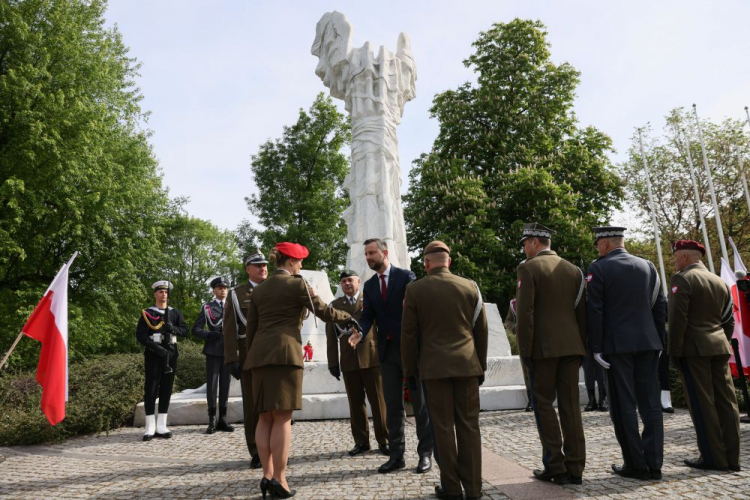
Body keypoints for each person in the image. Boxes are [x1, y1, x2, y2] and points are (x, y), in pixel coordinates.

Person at [246, 242, 354, 499]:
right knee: (282, 417)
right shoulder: (298, 284)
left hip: (259, 356)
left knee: (264, 417)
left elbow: (251, 329)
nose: (302, 265)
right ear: (291, 262)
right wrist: (347, 317)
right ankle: (280, 480)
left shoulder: (259, 290)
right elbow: (324, 311)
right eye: (300, 261)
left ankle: (266, 475)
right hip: (285, 355)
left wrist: (251, 358)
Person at [401, 241, 488, 500]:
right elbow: (480, 330)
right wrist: (479, 365)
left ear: (426, 263)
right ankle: (473, 489)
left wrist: (410, 372)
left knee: (442, 428)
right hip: (467, 366)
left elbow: (408, 335)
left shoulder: (415, 290)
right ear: (449, 261)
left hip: (433, 369)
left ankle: (451, 488)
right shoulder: (470, 286)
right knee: (469, 427)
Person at [348, 238, 434, 474]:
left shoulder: (407, 277)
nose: (368, 257)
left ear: (384, 253)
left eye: (372, 253)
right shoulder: (370, 286)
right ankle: (397, 456)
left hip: (411, 350)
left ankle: (425, 454)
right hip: (386, 354)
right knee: (392, 405)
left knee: (420, 404)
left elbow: (415, 309)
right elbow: (367, 317)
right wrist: (359, 333)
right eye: (366, 254)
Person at [587, 226, 665, 480]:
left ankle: (635, 464)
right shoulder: (648, 266)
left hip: (617, 346)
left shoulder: (598, 268)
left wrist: (596, 348)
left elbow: (595, 310)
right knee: (651, 405)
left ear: (606, 244)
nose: (597, 248)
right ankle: (654, 463)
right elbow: (659, 306)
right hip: (648, 343)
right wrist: (659, 341)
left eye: (598, 243)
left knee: (624, 407)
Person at [515, 223, 587, 485]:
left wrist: (525, 351)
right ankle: (576, 467)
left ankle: (554, 465)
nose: (524, 248)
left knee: (543, 403)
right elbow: (582, 312)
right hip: (571, 347)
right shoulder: (574, 270)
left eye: (525, 243)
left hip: (543, 350)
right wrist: (582, 346)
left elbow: (525, 314)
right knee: (571, 407)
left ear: (535, 242)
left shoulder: (528, 267)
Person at [668, 239, 741, 472]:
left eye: (676, 256)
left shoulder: (683, 279)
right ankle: (732, 458)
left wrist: (674, 353)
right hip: (719, 346)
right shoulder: (718, 281)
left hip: (694, 351)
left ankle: (712, 458)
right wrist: (720, 338)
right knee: (727, 403)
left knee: (702, 404)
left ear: (686, 257)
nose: (674, 261)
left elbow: (678, 321)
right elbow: (728, 319)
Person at [325, 269, 389, 457]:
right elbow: (331, 337)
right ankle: (361, 442)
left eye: (350, 280)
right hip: (349, 359)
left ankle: (384, 440)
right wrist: (332, 363)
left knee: (379, 402)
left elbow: (382, 327)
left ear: (358, 282)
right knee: (355, 403)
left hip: (372, 358)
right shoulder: (335, 305)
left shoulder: (370, 300)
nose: (347, 284)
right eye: (344, 281)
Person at [223, 250, 268, 469]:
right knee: (252, 407)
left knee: (273, 406)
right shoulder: (236, 294)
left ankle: (275, 450)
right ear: (248, 269)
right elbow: (229, 328)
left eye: (265, 265)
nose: (263, 269)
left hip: (272, 356)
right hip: (248, 357)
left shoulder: (274, 288)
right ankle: (257, 451)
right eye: (258, 266)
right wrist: (232, 358)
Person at [135, 281, 188, 441]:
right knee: (151, 388)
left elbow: (185, 331)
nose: (163, 294)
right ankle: (150, 425)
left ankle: (162, 424)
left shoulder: (175, 313)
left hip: (170, 354)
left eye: (166, 292)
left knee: (166, 388)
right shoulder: (148, 313)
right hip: (154, 354)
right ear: (155, 294)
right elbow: (141, 335)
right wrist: (155, 347)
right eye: (160, 292)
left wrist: (173, 328)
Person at [192, 276, 234, 434]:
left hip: (229, 350)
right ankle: (212, 419)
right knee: (212, 385)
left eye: (225, 287)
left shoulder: (232, 306)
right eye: (219, 288)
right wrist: (208, 335)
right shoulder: (207, 307)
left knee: (225, 385)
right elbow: (195, 329)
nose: (223, 290)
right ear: (214, 290)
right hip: (213, 349)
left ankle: (223, 418)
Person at [504, 298, 533, 412]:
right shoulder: (515, 303)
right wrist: (514, 328)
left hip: (540, 338)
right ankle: (531, 399)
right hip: (523, 340)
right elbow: (508, 320)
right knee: (526, 370)